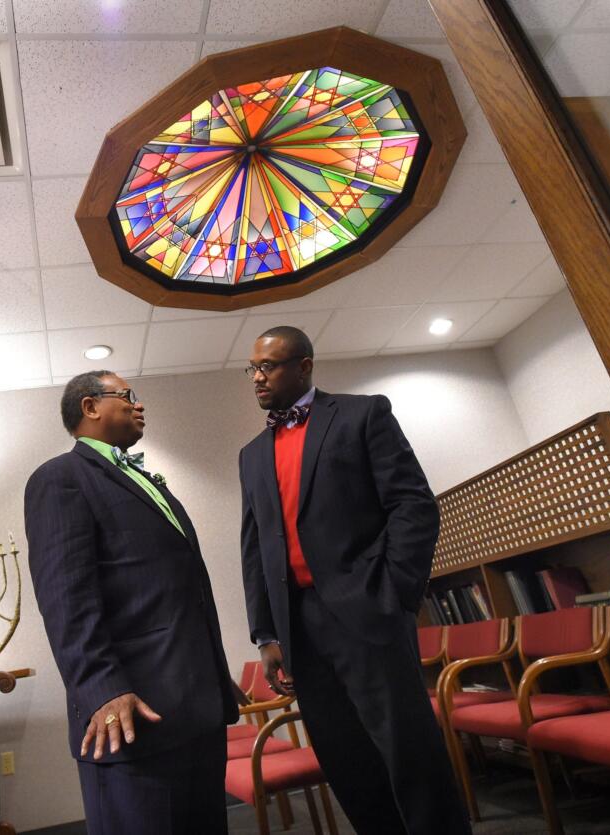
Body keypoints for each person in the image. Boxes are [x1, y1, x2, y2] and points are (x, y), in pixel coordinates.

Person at [237, 326, 471, 835]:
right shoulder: (252, 454)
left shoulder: (363, 414)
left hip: (368, 608)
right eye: (252, 368)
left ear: (304, 366)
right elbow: (255, 548)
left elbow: (412, 506)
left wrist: (394, 594)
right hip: (298, 624)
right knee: (343, 756)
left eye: (269, 366)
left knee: (408, 748)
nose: (257, 377)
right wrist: (266, 634)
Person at [25, 371, 237, 835]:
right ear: (90, 407)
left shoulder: (147, 480)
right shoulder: (60, 479)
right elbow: (65, 598)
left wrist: (215, 678)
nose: (138, 406)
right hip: (130, 717)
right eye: (127, 397)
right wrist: (102, 689)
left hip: (196, 710)